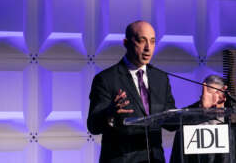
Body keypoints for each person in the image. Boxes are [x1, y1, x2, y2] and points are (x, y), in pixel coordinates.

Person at [87, 20, 176, 163]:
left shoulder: (160, 78)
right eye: (142, 41)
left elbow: (172, 122)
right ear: (126, 43)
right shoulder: (106, 79)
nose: (148, 48)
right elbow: (93, 126)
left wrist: (202, 107)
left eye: (152, 41)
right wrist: (110, 114)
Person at [169, 75, 228, 163]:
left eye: (215, 95)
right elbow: (171, 122)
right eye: (208, 95)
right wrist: (203, 109)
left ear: (223, 95)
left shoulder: (233, 115)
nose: (212, 100)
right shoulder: (192, 114)